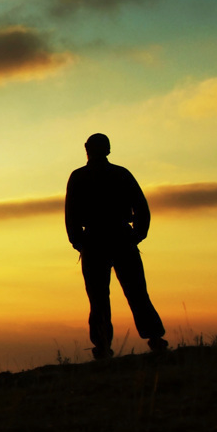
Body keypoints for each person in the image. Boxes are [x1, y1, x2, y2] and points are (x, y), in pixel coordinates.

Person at [65, 133, 167, 359]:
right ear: (108, 150)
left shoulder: (81, 177)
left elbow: (71, 215)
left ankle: (104, 348)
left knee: (102, 297)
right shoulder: (120, 174)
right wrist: (136, 235)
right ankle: (153, 339)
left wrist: (79, 242)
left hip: (100, 241)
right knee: (135, 292)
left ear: (86, 149)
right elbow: (142, 207)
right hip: (116, 239)